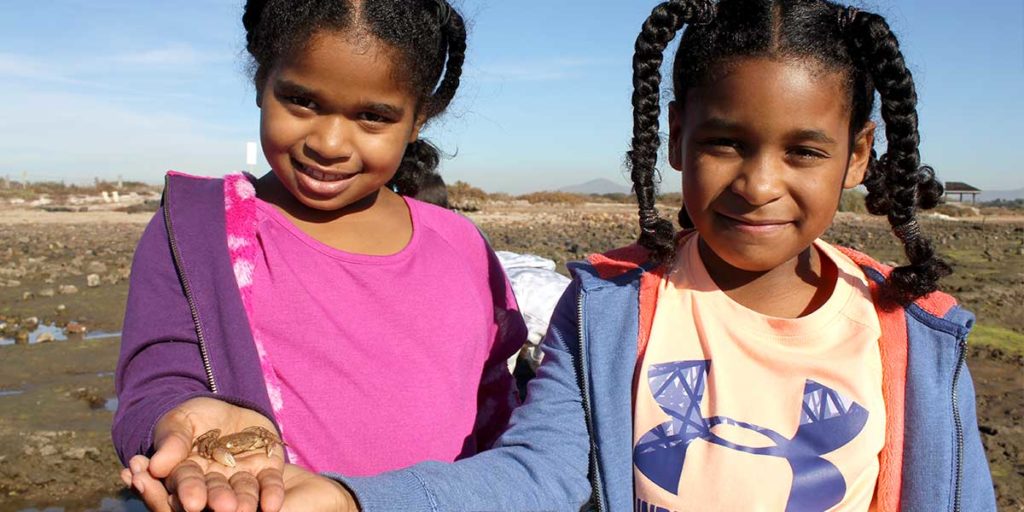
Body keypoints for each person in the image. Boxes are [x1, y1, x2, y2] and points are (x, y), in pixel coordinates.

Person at [138, 0, 999, 510]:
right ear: (674, 139)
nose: (759, 184)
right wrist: (354, 497)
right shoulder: (612, 310)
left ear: (857, 155)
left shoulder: (914, 337)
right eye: (726, 143)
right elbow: (538, 472)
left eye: (804, 152)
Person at [113, 1, 528, 511]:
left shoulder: (461, 247)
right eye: (301, 101)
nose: (329, 143)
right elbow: (155, 374)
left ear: (418, 118)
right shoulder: (197, 227)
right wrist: (179, 417)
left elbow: (495, 406)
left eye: (373, 117)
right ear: (263, 82)